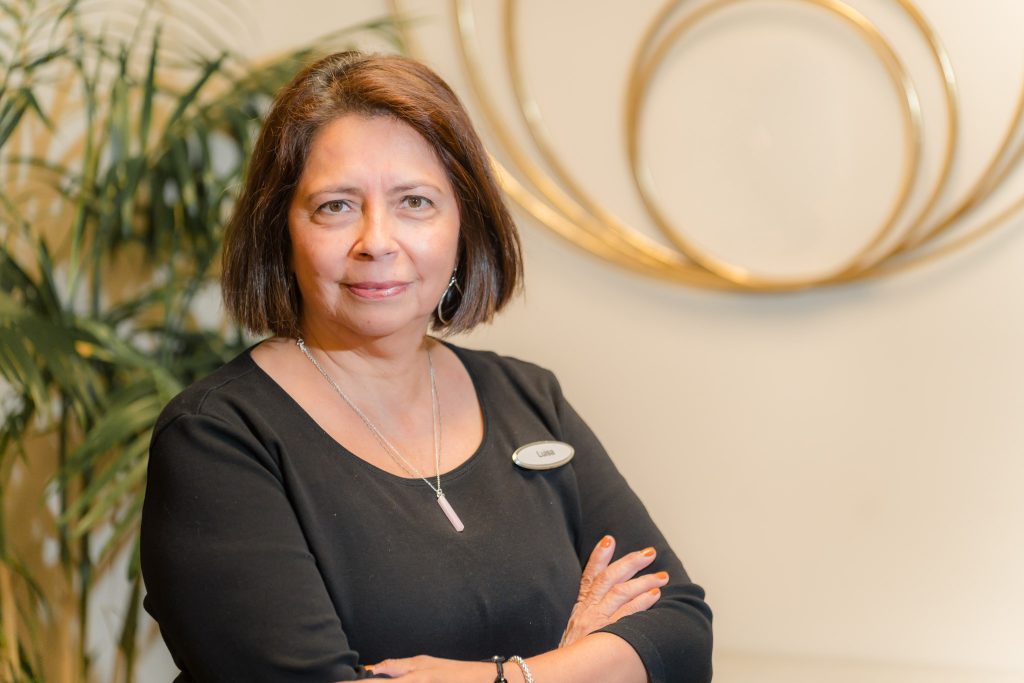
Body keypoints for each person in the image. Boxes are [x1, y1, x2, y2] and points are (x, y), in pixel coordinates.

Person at [140, 51, 712, 683]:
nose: (377, 241)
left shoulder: (527, 396)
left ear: (463, 223)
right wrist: (577, 660)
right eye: (335, 206)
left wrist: (515, 678)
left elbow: (680, 635)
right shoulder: (217, 438)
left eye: (415, 202)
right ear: (282, 229)